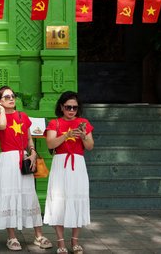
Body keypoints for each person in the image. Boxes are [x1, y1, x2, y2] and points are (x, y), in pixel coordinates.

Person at [0, 85, 53, 251]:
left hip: (23, 158)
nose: (11, 99)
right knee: (9, 195)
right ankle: (11, 237)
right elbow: (2, 126)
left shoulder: (23, 116)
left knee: (29, 195)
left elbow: (29, 139)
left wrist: (32, 153)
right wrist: (1, 111)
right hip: (8, 161)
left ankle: (38, 235)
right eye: (7, 97)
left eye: (13, 96)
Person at [44, 91, 94, 254]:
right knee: (59, 201)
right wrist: (67, 135)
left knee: (77, 199)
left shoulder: (83, 122)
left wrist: (84, 136)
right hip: (61, 164)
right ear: (61, 107)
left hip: (78, 165)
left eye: (74, 107)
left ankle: (75, 242)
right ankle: (60, 243)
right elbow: (51, 144)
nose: (71, 110)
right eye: (68, 107)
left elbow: (90, 146)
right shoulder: (55, 123)